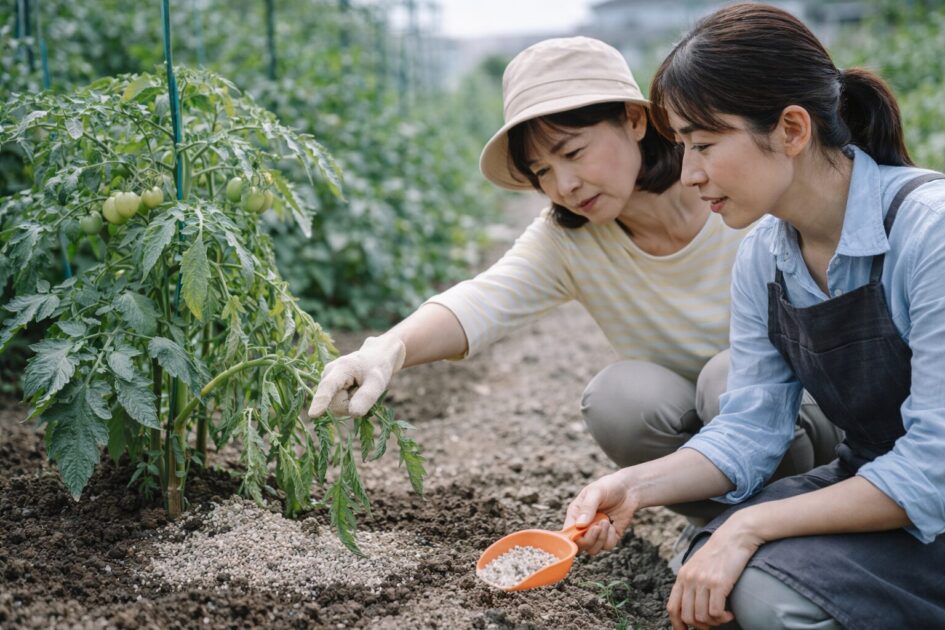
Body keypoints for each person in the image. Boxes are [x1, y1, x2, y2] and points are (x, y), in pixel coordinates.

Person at [307, 37, 838, 528]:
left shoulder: (729, 186)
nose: (563, 185)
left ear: (633, 120)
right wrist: (386, 350)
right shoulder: (569, 239)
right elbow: (481, 301)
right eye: (541, 172)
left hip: (809, 408)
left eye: (573, 152)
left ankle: (791, 520)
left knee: (728, 377)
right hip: (714, 435)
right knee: (618, 399)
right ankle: (722, 528)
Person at [564, 4, 945, 629]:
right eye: (683, 147)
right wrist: (634, 486)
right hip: (876, 485)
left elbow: (934, 467)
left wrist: (751, 523)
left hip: (929, 495)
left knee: (760, 592)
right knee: (708, 564)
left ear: (792, 129)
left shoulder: (928, 232)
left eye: (705, 144)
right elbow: (750, 428)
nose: (689, 174)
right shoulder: (765, 255)